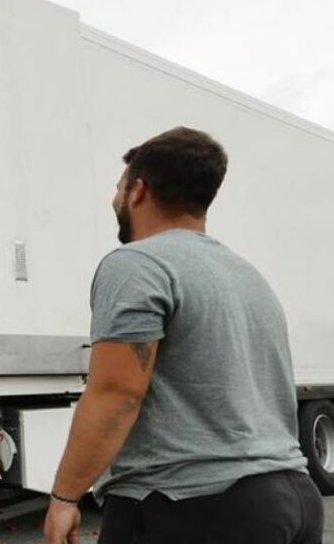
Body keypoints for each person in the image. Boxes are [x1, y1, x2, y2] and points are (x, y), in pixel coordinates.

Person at [43, 128, 322, 544]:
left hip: (191, 505)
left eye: (119, 188)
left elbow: (118, 394)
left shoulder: (136, 263)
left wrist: (65, 498)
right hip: (293, 498)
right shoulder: (248, 275)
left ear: (138, 191)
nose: (115, 198)